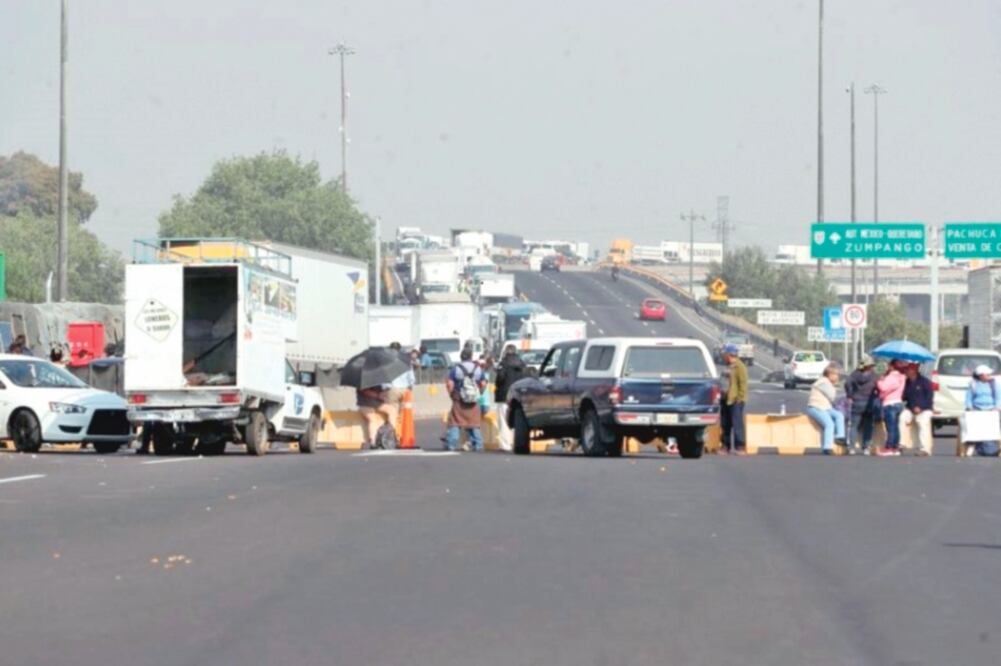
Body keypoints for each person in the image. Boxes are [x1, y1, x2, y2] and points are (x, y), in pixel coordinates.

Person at [444, 348, 486, 452]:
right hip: (473, 400)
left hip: (459, 399)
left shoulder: (456, 369)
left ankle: (451, 444)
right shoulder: (477, 369)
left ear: (461, 357)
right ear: (471, 357)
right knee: (474, 423)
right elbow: (483, 383)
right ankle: (478, 444)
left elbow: (450, 383)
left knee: (455, 422)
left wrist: (451, 395)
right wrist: (479, 393)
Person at [806, 363, 847, 455]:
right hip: (815, 407)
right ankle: (827, 447)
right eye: (836, 375)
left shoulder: (826, 382)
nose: (838, 377)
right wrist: (836, 387)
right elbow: (832, 396)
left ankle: (840, 437)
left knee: (839, 415)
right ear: (830, 374)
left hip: (825, 407)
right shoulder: (823, 382)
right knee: (829, 424)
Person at [494, 345, 527, 452]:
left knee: (504, 421)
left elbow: (499, 379)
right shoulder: (522, 364)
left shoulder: (503, 364)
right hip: (518, 397)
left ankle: (505, 444)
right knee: (516, 421)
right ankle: (515, 442)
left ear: (505, 352)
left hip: (504, 396)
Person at [963, 364, 1001, 457]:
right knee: (974, 426)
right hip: (977, 409)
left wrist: (997, 407)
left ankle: (990, 448)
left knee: (991, 428)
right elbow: (969, 398)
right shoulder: (973, 384)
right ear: (981, 375)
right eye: (987, 374)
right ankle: (975, 445)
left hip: (991, 409)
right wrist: (969, 407)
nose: (989, 376)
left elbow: (998, 397)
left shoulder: (994, 384)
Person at [845, 355, 878, 455]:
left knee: (854, 425)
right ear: (870, 366)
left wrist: (850, 395)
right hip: (869, 403)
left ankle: (851, 448)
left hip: (857, 402)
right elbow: (878, 386)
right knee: (868, 426)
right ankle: (866, 447)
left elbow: (847, 384)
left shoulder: (855, 374)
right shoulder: (873, 376)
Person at [719, 343, 748, 455]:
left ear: (730, 354)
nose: (724, 356)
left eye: (725, 354)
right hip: (726, 399)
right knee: (725, 424)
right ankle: (725, 446)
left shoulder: (740, 366)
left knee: (737, 424)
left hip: (735, 400)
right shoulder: (728, 366)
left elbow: (743, 384)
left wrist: (740, 398)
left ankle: (740, 446)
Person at [901, 362, 934, 456]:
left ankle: (924, 449)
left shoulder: (925, 382)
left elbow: (929, 398)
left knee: (922, 422)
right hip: (911, 409)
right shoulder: (906, 382)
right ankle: (902, 443)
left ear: (914, 371)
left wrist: (921, 407)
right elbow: (904, 397)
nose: (906, 371)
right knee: (902, 417)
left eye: (908, 370)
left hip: (925, 409)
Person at [876, 360, 907, 457]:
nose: (888, 367)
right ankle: (895, 447)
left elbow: (883, 388)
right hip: (898, 402)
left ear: (893, 366)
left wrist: (879, 381)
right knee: (896, 427)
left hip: (890, 404)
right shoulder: (902, 377)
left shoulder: (891, 377)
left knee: (890, 428)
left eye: (889, 365)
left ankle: (889, 447)